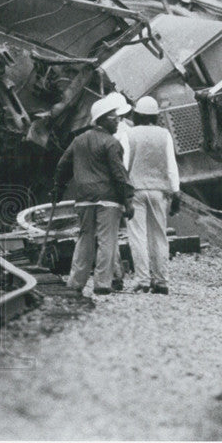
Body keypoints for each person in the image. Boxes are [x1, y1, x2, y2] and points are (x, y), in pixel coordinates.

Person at [53, 97, 135, 296]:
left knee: (85, 239)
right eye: (115, 118)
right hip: (108, 200)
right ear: (103, 119)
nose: (118, 122)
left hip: (83, 198)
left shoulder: (78, 140)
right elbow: (119, 175)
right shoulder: (111, 143)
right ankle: (102, 283)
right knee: (107, 241)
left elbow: (62, 165)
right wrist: (128, 201)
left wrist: (58, 187)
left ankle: (75, 283)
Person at [125, 96, 180, 294]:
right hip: (159, 191)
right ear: (155, 116)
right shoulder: (164, 134)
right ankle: (161, 280)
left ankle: (142, 279)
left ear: (137, 114)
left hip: (136, 189)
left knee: (138, 235)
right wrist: (176, 192)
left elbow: (124, 164)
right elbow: (171, 165)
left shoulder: (130, 134)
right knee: (159, 235)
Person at [106, 91, 133, 291]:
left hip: (114, 187)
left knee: (111, 232)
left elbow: (121, 165)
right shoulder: (128, 131)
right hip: (126, 185)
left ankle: (116, 274)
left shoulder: (115, 134)